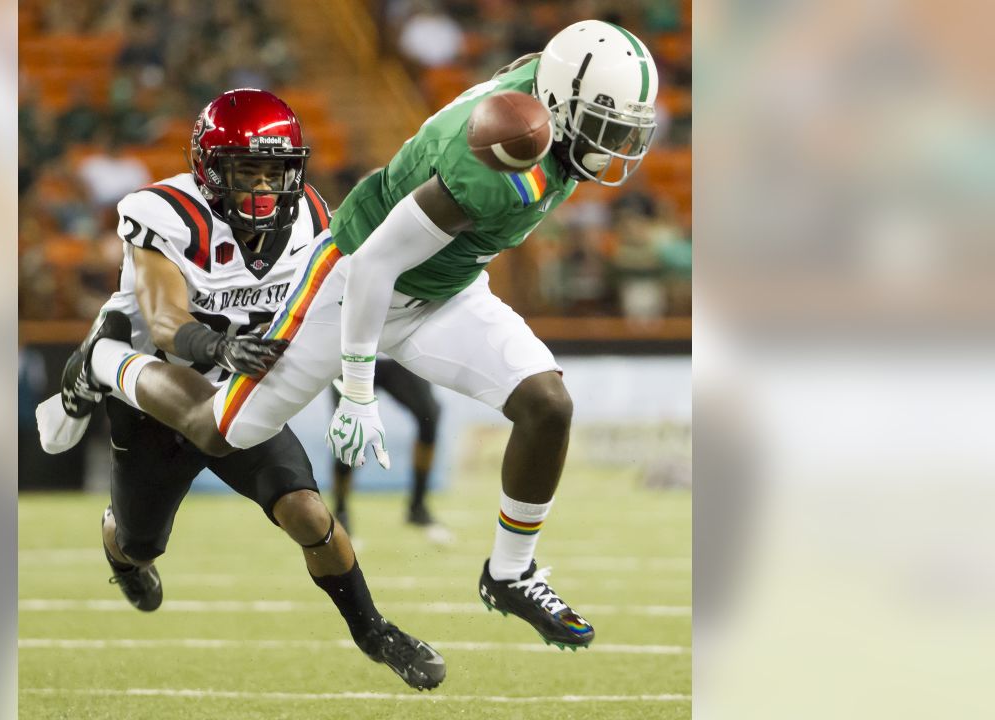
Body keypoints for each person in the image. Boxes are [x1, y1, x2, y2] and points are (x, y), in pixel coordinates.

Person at [64, 20, 659, 651]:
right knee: (220, 430)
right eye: (607, 124)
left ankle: (511, 573)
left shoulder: (548, 106)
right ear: (562, 104)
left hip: (447, 290)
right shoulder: (491, 158)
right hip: (351, 278)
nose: (620, 143)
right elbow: (377, 263)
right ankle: (105, 361)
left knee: (547, 403)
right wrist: (357, 391)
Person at [36, 89, 445, 690]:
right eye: (245, 171)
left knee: (307, 511)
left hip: (237, 388)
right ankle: (101, 366)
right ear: (209, 170)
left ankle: (374, 630)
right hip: (156, 389)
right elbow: (169, 322)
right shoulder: (168, 213)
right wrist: (220, 347)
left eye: (275, 171)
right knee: (138, 543)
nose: (262, 187)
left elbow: (333, 298)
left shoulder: (309, 214)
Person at [328, 359, 444, 536]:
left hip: (396, 353)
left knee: (429, 415)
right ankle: (340, 511)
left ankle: (418, 507)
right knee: (351, 435)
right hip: (352, 358)